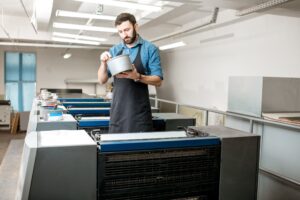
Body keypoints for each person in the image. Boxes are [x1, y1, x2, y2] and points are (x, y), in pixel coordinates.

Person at [98, 13, 163, 133]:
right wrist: (103, 63)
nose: (124, 35)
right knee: (116, 150)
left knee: (138, 150)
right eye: (120, 32)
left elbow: (158, 81)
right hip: (118, 113)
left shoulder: (149, 49)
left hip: (139, 115)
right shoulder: (115, 50)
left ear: (136, 27)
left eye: (127, 30)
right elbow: (102, 80)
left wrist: (138, 76)